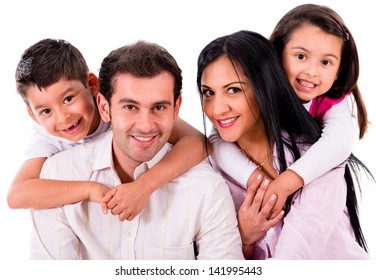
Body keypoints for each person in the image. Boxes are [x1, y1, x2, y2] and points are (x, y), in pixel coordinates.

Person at [30, 40, 242, 260]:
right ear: (104, 107)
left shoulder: (207, 188)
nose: (145, 125)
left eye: (158, 107)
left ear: (176, 109)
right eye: (130, 107)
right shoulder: (57, 175)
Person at [197, 29, 370, 259]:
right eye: (208, 92)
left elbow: (293, 259)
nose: (217, 109)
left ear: (265, 87)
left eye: (234, 90)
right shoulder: (209, 169)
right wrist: (243, 237)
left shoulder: (319, 160)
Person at [8, 38, 209, 221]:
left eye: (68, 99)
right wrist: (88, 190)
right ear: (33, 116)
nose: (62, 118)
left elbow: (197, 142)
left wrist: (144, 186)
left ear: (93, 85)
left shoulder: (121, 108)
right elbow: (17, 195)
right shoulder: (46, 137)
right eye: (45, 111)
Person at [209, 3, 370, 219]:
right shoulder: (256, 89)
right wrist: (257, 180)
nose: (312, 71)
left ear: (339, 70)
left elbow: (338, 143)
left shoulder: (330, 100)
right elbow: (217, 142)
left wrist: (285, 183)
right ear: (277, 52)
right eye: (301, 56)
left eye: (326, 62)